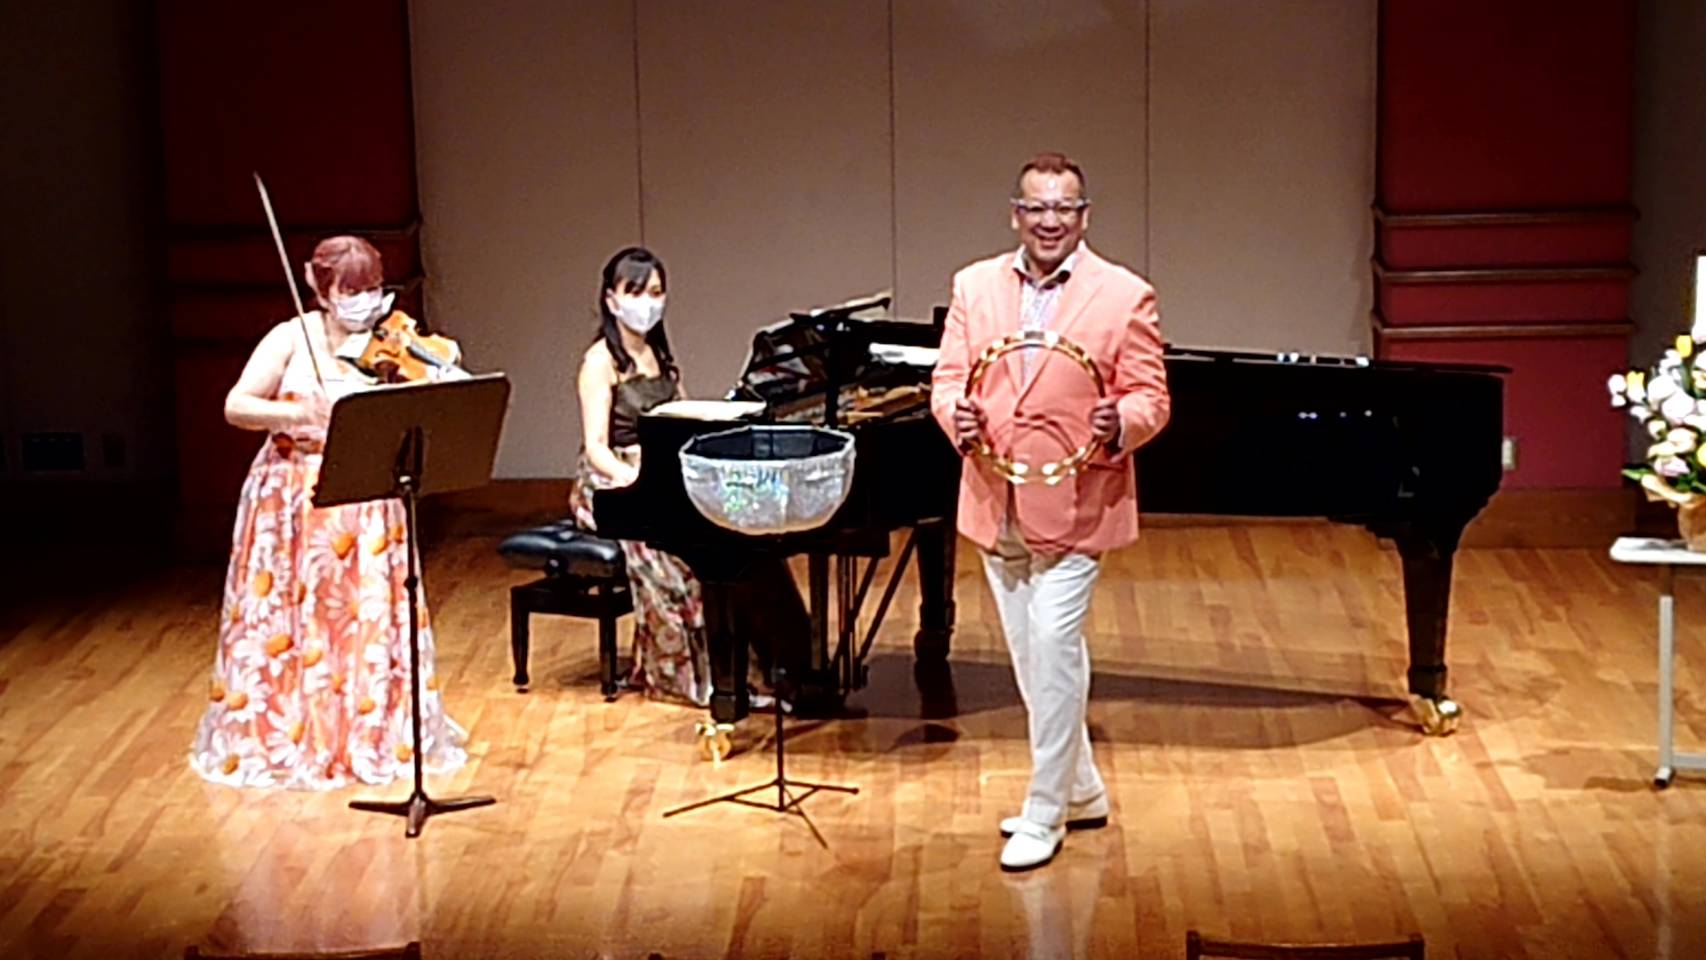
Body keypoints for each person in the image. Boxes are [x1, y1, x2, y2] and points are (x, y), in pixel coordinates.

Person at [930, 152, 1171, 870]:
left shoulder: (1124, 295)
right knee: (1033, 659)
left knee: (1054, 646)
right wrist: (955, 414)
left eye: (1063, 208)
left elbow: (1152, 398)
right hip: (995, 498)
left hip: (1077, 502)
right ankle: (1083, 790)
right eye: (1037, 207)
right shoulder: (974, 285)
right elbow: (948, 379)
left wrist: (1121, 422)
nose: (1049, 221)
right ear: (1016, 214)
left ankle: (1045, 811)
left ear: (1084, 216)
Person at [191, 235, 468, 789]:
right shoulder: (290, 337)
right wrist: (293, 414)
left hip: (367, 499)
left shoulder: (391, 341)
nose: (365, 302)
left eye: (373, 289)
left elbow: (440, 389)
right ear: (321, 289)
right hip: (292, 498)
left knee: (362, 615)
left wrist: (444, 374)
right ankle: (295, 734)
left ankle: (369, 732)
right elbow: (236, 405)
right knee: (295, 618)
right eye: (351, 290)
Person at [567, 247, 714, 706]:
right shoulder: (599, 363)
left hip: (660, 477)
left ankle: (729, 670)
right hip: (610, 482)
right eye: (634, 292)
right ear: (611, 300)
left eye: (655, 292)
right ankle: (675, 677)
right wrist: (633, 481)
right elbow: (596, 447)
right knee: (665, 560)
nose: (647, 302)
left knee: (711, 551)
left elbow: (686, 416)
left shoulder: (659, 356)